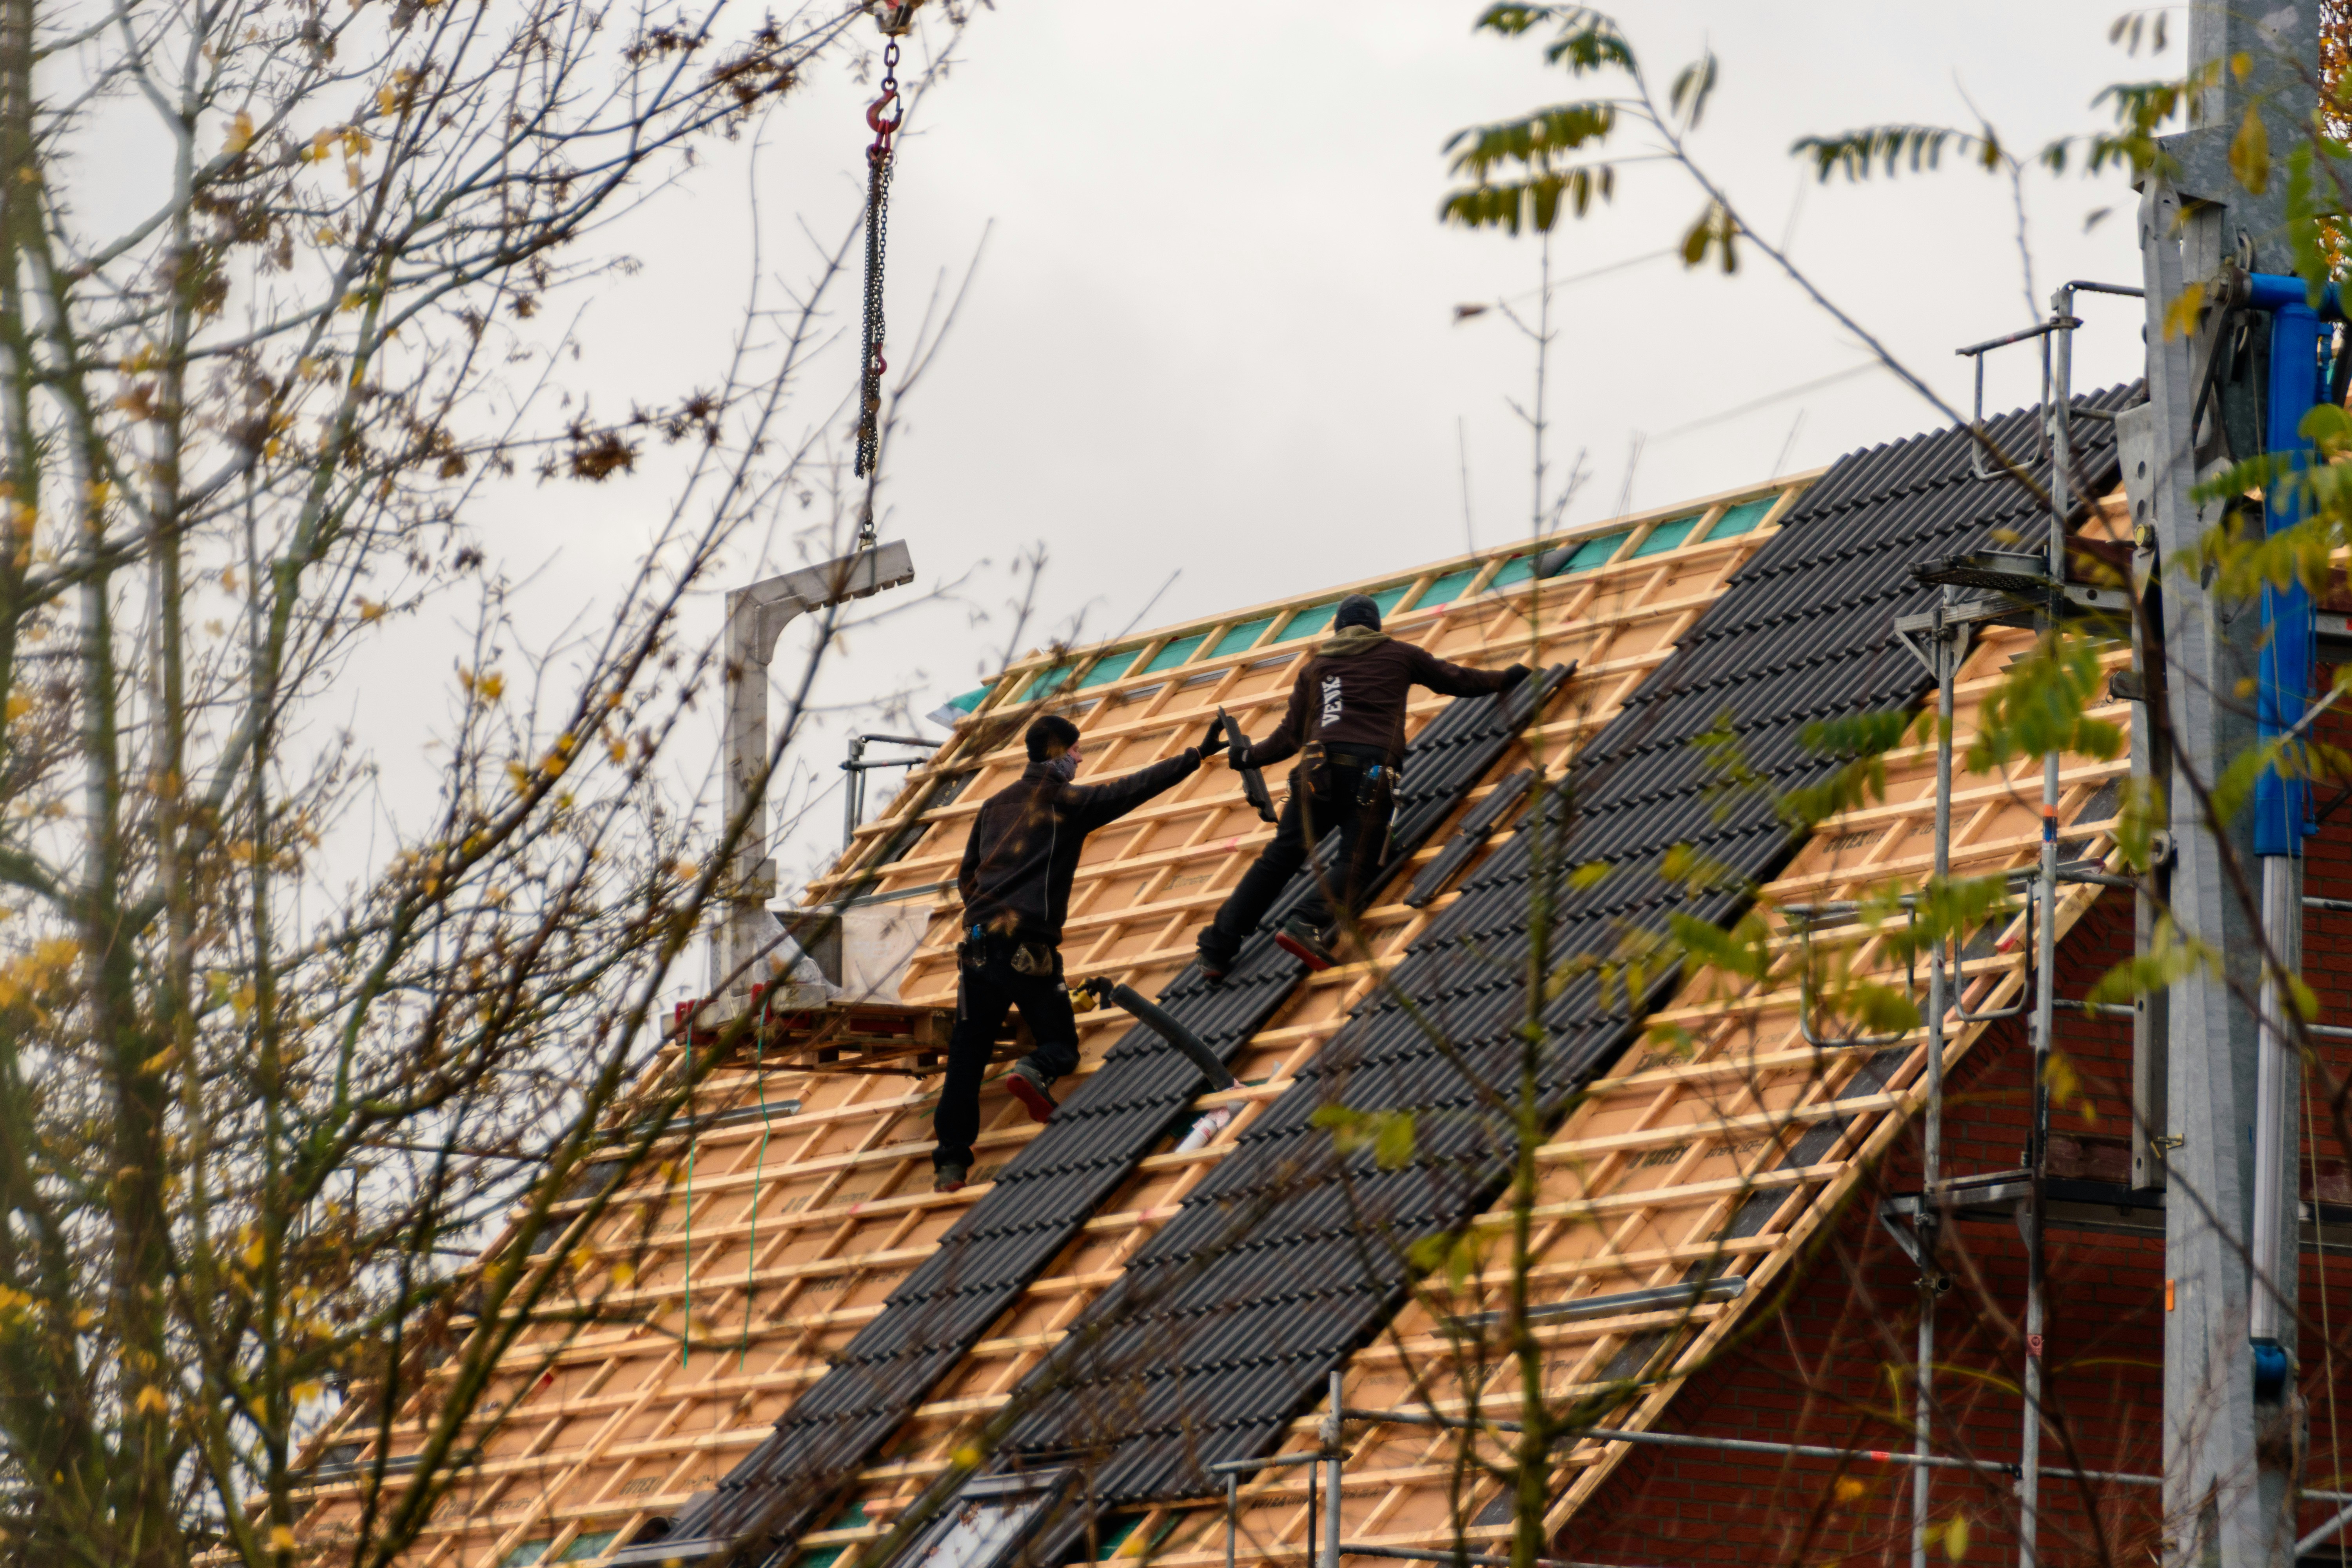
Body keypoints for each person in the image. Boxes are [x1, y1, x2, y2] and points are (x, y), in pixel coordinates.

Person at [935, 710, 1228, 1191]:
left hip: (978, 947)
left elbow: (967, 876)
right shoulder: (1064, 802)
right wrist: (1196, 755)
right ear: (1057, 755)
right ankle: (1034, 1070)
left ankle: (950, 1162)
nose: (1081, 759)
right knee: (1061, 1045)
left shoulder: (992, 805)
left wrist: (987, 910)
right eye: (1075, 751)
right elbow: (1132, 789)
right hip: (1028, 949)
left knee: (967, 1056)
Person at [1197, 593, 1528, 978]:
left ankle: (1216, 950)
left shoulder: (1316, 669)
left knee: (1280, 858)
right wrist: (1507, 678)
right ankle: (1306, 921)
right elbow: (1457, 680)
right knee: (1358, 858)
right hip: (1368, 773)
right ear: (1376, 626)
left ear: (1338, 628)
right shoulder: (1400, 655)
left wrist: (1247, 757)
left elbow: (1289, 738)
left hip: (1314, 772)